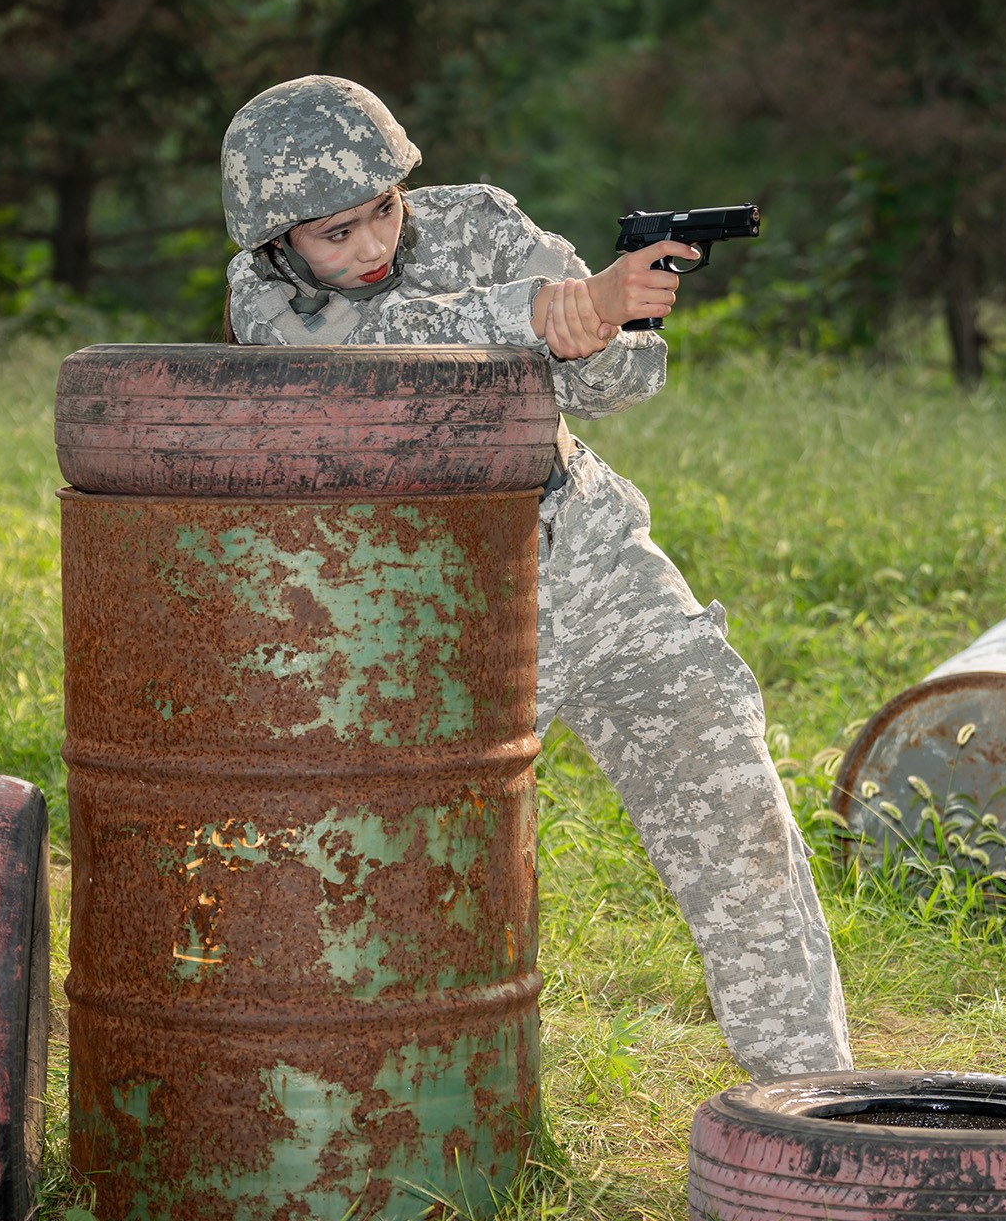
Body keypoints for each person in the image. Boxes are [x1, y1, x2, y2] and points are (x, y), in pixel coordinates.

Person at [221, 75, 851, 1078]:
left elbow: (623, 380)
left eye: (383, 209)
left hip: (585, 552)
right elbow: (371, 357)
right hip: (420, 605)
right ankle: (394, 1108)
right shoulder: (264, 297)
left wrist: (602, 328)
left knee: (731, 789)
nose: (371, 244)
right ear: (276, 240)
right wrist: (534, 312)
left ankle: (812, 1093)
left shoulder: (480, 222)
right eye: (334, 234)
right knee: (395, 868)